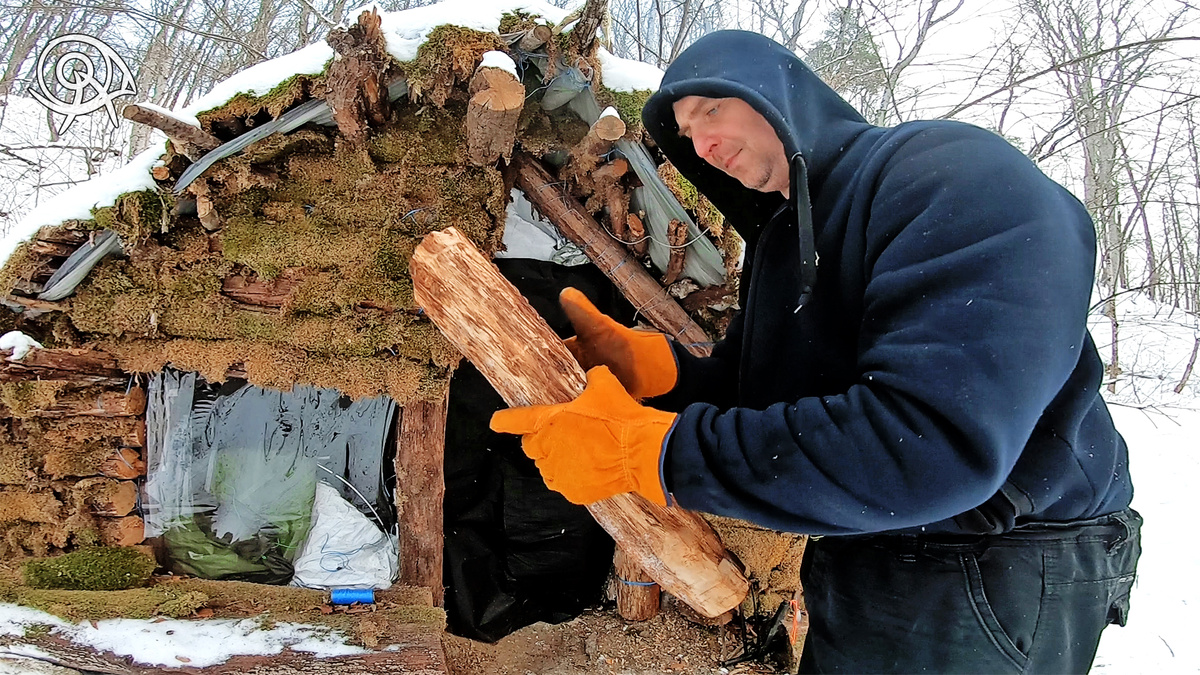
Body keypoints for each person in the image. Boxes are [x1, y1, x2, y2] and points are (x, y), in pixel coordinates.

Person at [491, 30, 1141, 674]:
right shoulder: (781, 243)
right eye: (686, 134)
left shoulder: (950, 176)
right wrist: (662, 374)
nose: (703, 144)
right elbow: (775, 399)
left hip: (996, 559)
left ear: (778, 93)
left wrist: (653, 451)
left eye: (712, 109)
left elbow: (927, 442)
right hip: (873, 539)